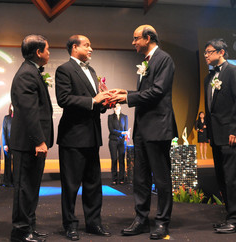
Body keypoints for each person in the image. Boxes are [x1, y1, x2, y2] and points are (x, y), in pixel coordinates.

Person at [109, 25, 178, 240]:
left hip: (158, 128)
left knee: (161, 177)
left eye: (136, 38)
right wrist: (127, 92)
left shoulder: (164, 59)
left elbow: (157, 91)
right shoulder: (148, 61)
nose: (133, 42)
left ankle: (162, 221)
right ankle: (141, 219)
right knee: (140, 177)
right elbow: (145, 92)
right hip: (142, 129)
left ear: (148, 38)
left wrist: (128, 98)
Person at [55, 35, 111, 241]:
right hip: (73, 136)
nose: (91, 49)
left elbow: (94, 103)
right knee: (71, 185)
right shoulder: (64, 69)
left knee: (94, 183)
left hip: (92, 136)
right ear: (74, 47)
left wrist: (104, 103)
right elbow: (64, 99)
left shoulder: (92, 71)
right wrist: (93, 100)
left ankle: (94, 223)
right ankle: (70, 225)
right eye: (87, 45)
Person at [10, 34, 54, 242]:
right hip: (28, 144)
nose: (49, 53)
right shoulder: (27, 74)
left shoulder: (30, 71)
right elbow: (29, 112)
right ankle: (20, 232)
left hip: (31, 143)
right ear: (38, 52)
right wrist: (39, 140)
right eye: (47, 49)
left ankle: (29, 227)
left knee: (31, 189)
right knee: (24, 189)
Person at [203, 38, 236, 234]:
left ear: (221, 52)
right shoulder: (209, 77)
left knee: (234, 178)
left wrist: (235, 130)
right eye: (205, 52)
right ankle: (230, 215)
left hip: (232, 136)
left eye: (209, 51)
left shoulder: (235, 72)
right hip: (217, 136)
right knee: (223, 178)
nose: (206, 55)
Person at [108, 103, 128, 185]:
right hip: (113, 141)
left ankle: (121, 178)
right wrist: (122, 132)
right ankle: (114, 179)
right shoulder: (110, 117)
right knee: (114, 159)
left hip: (122, 141)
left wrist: (125, 134)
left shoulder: (125, 117)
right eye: (115, 106)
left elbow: (126, 130)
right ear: (113, 108)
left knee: (122, 160)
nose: (117, 107)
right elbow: (111, 130)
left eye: (118, 106)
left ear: (120, 107)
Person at [2, 103, 13, 187]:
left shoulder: (19, 118)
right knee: (8, 162)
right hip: (8, 144)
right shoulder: (6, 118)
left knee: (16, 164)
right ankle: (7, 181)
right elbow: (4, 132)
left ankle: (15, 181)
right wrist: (5, 144)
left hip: (17, 144)